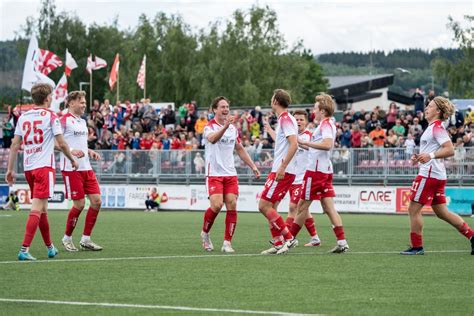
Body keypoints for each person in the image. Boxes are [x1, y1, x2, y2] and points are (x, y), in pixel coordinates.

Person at [6, 83, 78, 261]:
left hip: (29, 168)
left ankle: (50, 247)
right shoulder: (52, 116)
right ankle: (24, 249)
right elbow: (61, 143)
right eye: (51, 96)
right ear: (47, 98)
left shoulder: (23, 117)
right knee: (37, 208)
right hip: (44, 168)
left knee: (43, 209)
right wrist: (71, 158)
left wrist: (9, 169)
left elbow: (15, 145)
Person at [401, 97, 474, 255]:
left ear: (438, 111)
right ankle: (473, 237)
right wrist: (420, 157)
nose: (426, 108)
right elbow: (432, 151)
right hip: (436, 174)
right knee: (442, 212)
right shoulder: (432, 127)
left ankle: (417, 247)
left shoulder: (437, 128)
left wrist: (431, 156)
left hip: (429, 175)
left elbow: (450, 149)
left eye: (430, 106)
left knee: (413, 209)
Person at [289, 93, 350, 254]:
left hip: (315, 172)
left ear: (322, 110)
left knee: (302, 206)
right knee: (328, 207)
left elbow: (327, 144)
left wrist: (307, 142)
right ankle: (342, 242)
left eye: (315, 108)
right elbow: (318, 147)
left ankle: (289, 240)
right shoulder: (327, 123)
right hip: (324, 170)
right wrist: (303, 144)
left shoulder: (325, 125)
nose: (314, 111)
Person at [201, 96, 260, 253]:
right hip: (213, 173)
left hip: (230, 174)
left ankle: (227, 243)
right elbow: (213, 139)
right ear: (214, 109)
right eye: (222, 107)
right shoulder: (209, 127)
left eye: (227, 106)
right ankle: (205, 234)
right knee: (217, 205)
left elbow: (239, 148)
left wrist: (253, 166)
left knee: (232, 204)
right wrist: (225, 127)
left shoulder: (233, 129)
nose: (226, 109)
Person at [265, 110, 319, 246]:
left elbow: (307, 148)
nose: (299, 122)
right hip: (291, 178)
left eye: (301, 119)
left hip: (302, 179)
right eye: (297, 120)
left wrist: (296, 142)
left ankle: (287, 236)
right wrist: (270, 130)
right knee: (303, 209)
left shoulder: (308, 136)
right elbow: (280, 141)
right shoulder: (291, 135)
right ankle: (315, 237)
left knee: (293, 207)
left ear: (306, 122)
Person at [60, 91, 103, 252]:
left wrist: (89, 150)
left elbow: (80, 143)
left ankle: (86, 239)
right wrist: (71, 150)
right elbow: (54, 144)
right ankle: (67, 238)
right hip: (72, 168)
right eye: (81, 102)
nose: (84, 105)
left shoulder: (82, 122)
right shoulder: (63, 120)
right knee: (79, 204)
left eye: (85, 102)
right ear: (71, 103)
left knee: (97, 201)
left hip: (86, 167)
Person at [259, 89, 299, 255]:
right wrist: (270, 131)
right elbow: (283, 143)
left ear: (275, 100)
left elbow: (294, 144)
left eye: (271, 97)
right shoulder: (284, 119)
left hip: (282, 170)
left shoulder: (286, 119)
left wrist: (282, 167)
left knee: (263, 205)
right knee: (272, 207)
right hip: (281, 168)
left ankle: (289, 238)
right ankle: (277, 242)